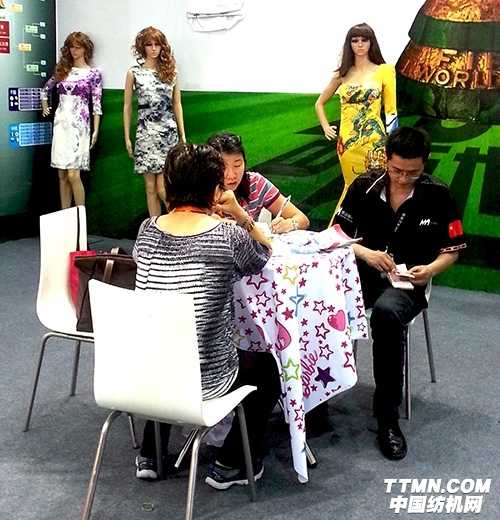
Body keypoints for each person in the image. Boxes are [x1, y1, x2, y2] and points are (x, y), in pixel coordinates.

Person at [133, 143, 281, 488]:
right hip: (204, 379)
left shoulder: (147, 229)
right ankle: (231, 463)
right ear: (215, 190)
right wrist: (242, 216)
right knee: (267, 369)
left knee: (167, 340)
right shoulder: (227, 235)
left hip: (143, 373)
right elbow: (263, 253)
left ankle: (151, 454)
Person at [334, 127, 466, 460]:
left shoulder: (439, 195)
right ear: (386, 160)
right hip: (363, 272)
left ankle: (387, 417)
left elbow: (452, 249)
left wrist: (430, 270)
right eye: (397, 170)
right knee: (321, 303)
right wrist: (366, 254)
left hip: (409, 282)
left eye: (413, 172)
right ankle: (315, 399)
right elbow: (336, 234)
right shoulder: (364, 186)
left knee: (387, 315)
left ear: (424, 164)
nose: (404, 178)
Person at [315, 22, 398, 221]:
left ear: (371, 42)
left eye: (364, 40)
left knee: (379, 187)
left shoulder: (385, 71)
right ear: (349, 44)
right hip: (348, 144)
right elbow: (319, 103)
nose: (360, 44)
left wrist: (394, 143)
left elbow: (391, 111)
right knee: (351, 186)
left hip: (376, 142)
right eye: (355, 40)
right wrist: (325, 126)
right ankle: (339, 231)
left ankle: (379, 232)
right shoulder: (342, 74)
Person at [124, 26, 186, 217]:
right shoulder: (134, 73)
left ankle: (177, 223)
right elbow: (127, 106)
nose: (153, 48)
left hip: (167, 133)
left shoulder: (171, 72)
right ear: (142, 47)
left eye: (156, 44)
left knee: (163, 187)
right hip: (146, 133)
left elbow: (177, 104)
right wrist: (127, 137)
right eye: (149, 44)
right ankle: (155, 228)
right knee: (150, 188)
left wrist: (182, 135)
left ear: (162, 46)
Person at [41, 32, 102, 208]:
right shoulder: (62, 70)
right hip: (61, 124)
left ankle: (80, 216)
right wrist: (45, 106)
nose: (74, 51)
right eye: (71, 47)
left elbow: (96, 104)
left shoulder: (93, 74)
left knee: (73, 174)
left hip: (79, 126)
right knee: (62, 175)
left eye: (78, 47)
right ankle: (65, 215)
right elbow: (45, 89)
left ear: (85, 49)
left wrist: (96, 129)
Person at [207, 132, 310, 233]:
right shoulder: (201, 190)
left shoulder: (255, 183)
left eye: (237, 165)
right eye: (223, 167)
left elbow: (303, 220)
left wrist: (290, 224)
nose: (232, 175)